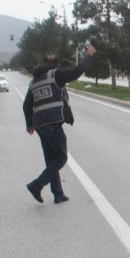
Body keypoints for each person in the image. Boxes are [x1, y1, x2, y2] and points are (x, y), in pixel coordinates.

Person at [23, 45, 95, 204]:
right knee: (61, 157)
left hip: (40, 125)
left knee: (51, 160)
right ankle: (37, 185)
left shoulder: (34, 80)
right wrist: (88, 55)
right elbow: (77, 71)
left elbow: (27, 104)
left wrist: (30, 124)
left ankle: (58, 194)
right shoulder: (56, 74)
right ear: (56, 63)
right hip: (53, 123)